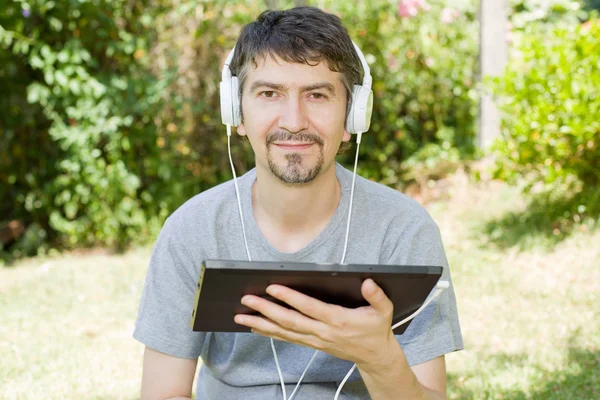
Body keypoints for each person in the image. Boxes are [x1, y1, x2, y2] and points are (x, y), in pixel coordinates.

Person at [133, 6, 463, 400]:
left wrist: (379, 359)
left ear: (353, 116)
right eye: (270, 93)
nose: (293, 120)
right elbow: (163, 393)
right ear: (236, 112)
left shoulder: (404, 231)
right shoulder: (192, 229)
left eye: (317, 95)